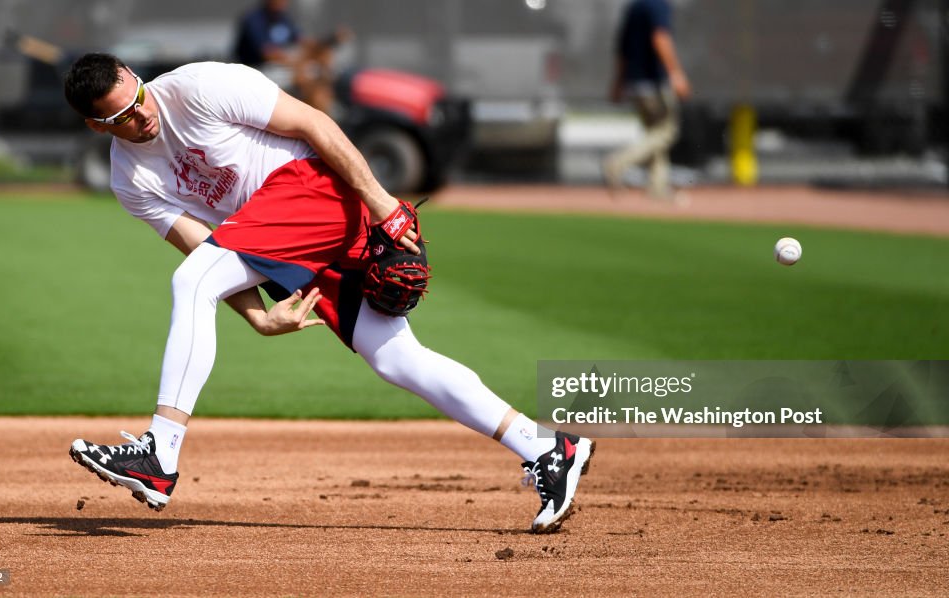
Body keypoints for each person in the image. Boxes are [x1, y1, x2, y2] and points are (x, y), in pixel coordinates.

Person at [62, 53, 594, 533]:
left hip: (313, 188)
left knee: (191, 282)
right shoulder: (130, 178)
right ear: (95, 126)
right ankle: (547, 446)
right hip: (276, 239)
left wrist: (381, 201)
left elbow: (314, 124)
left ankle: (161, 452)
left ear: (133, 75)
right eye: (120, 117)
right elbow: (199, 243)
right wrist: (257, 317)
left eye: (136, 98)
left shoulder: (201, 86)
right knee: (396, 359)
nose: (139, 114)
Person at [603, 0, 691, 201]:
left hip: (634, 83)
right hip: (654, 82)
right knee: (666, 131)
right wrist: (676, 73)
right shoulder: (658, 5)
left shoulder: (634, 7)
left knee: (653, 134)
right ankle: (617, 163)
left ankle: (657, 188)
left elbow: (622, 48)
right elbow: (660, 37)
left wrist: (618, 82)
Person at [233, 0, 349, 114]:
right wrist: (297, 62)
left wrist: (328, 41)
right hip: (257, 71)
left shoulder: (283, 18)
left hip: (284, 67)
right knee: (306, 78)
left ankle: (326, 111)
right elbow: (268, 54)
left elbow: (303, 42)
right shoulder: (253, 19)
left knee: (323, 61)